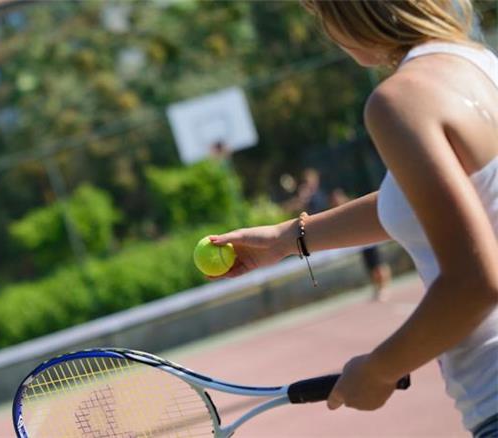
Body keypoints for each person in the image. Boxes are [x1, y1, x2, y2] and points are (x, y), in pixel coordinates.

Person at [206, 1, 498, 436]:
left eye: (322, 14)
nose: (327, 31)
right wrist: (287, 239)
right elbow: (428, 202)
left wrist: (380, 368)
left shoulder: (401, 99)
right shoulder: (477, 63)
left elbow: (475, 282)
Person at [329, 188, 392, 301]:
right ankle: (378, 288)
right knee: (371, 267)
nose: (335, 201)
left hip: (371, 240)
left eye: (336, 199)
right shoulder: (339, 212)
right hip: (362, 244)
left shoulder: (353, 206)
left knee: (378, 265)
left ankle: (384, 288)